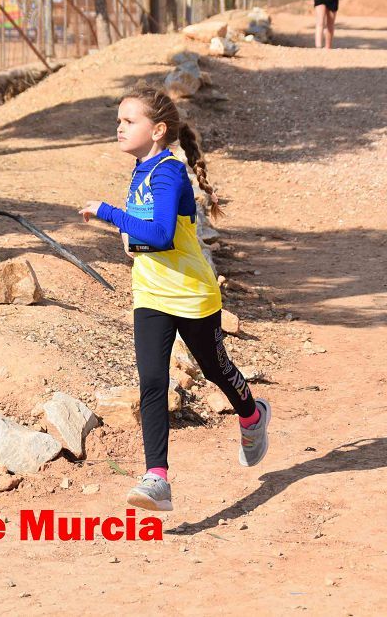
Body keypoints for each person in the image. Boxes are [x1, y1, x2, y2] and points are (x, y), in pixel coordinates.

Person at [77, 85, 271, 512]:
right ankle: (157, 479)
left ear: (158, 129)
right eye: (118, 121)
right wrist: (127, 234)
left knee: (216, 370)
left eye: (129, 121)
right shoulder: (140, 170)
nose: (119, 128)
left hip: (192, 295)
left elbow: (162, 235)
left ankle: (252, 414)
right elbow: (143, 236)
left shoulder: (167, 171)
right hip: (150, 295)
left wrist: (110, 214)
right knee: (150, 381)